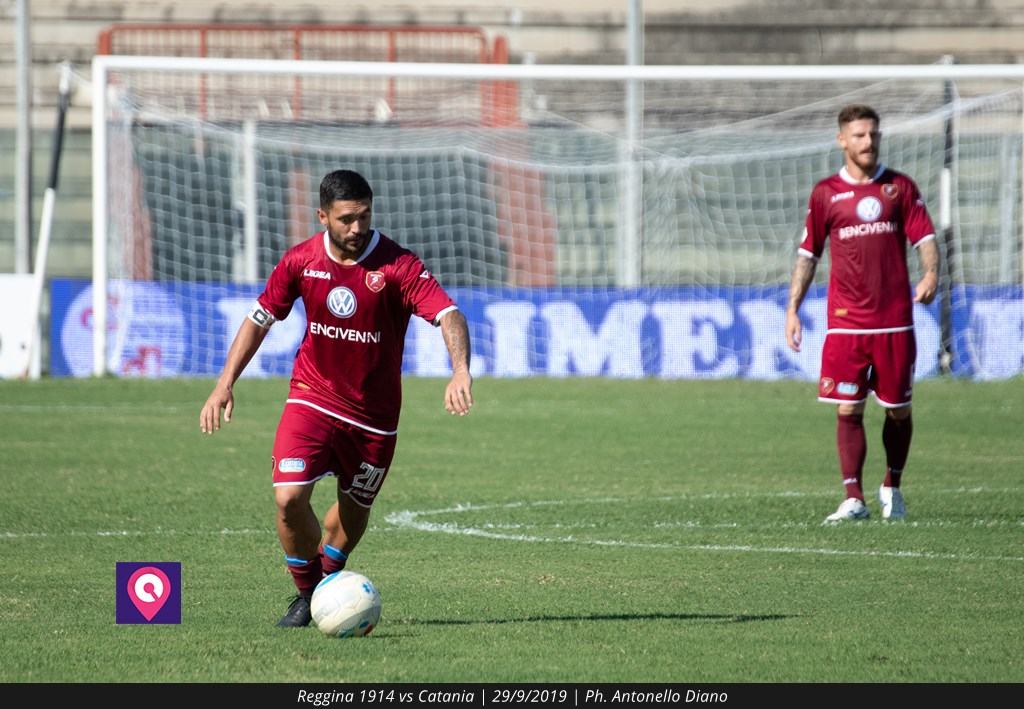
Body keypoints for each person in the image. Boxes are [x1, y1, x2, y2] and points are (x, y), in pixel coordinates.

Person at [199, 169, 474, 626]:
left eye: (364, 216)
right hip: (312, 398)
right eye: (346, 219)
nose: (357, 227)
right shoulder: (301, 261)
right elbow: (260, 317)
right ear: (322, 216)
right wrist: (225, 382)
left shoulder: (398, 265)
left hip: (374, 417)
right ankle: (310, 594)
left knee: (349, 516)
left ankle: (328, 580)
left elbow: (449, 314)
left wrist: (460, 369)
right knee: (288, 498)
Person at [785, 104, 939, 523]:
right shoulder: (826, 194)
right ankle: (853, 497)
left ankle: (892, 485)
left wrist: (930, 273)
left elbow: (924, 237)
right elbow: (808, 254)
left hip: (894, 321)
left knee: (898, 410)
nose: (868, 142)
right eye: (859, 135)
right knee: (847, 408)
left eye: (873, 134)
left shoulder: (899, 188)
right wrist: (793, 308)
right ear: (842, 140)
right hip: (846, 323)